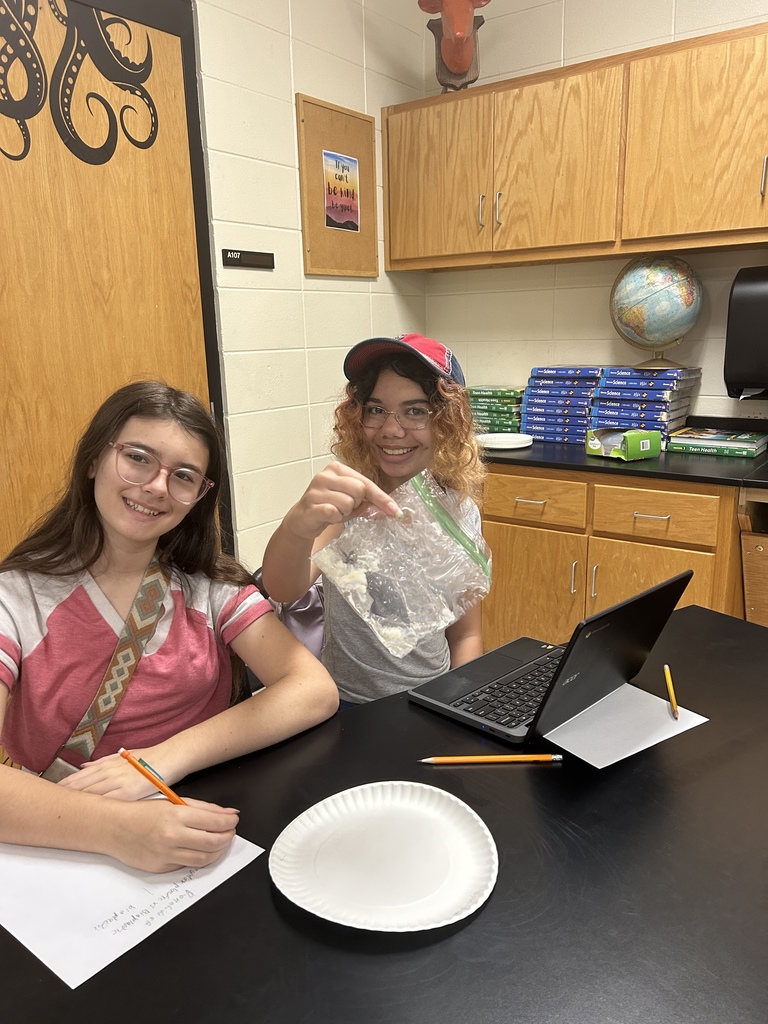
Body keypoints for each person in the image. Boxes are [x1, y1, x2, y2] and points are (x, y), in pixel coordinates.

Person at [0, 381, 338, 872]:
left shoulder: (210, 586)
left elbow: (312, 689)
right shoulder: (15, 597)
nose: (157, 486)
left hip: (198, 824)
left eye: (183, 475)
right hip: (57, 833)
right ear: (94, 459)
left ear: (199, 496)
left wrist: (155, 761)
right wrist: (117, 829)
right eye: (137, 457)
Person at [262, 333, 487, 705]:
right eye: (376, 409)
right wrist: (297, 523)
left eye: (415, 411)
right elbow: (283, 589)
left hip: (432, 698)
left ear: (448, 421)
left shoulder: (459, 511)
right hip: (348, 705)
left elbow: (465, 635)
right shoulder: (349, 503)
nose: (391, 429)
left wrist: (459, 704)